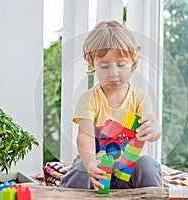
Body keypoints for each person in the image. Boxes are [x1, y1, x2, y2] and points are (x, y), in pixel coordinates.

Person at [60, 20, 162, 190]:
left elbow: (153, 127)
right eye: (104, 66)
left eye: (121, 65)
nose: (114, 73)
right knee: (80, 169)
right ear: (92, 63)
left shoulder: (139, 98)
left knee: (148, 165)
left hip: (129, 170)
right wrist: (90, 163)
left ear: (133, 63)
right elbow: (85, 136)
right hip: (97, 171)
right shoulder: (89, 99)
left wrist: (154, 129)